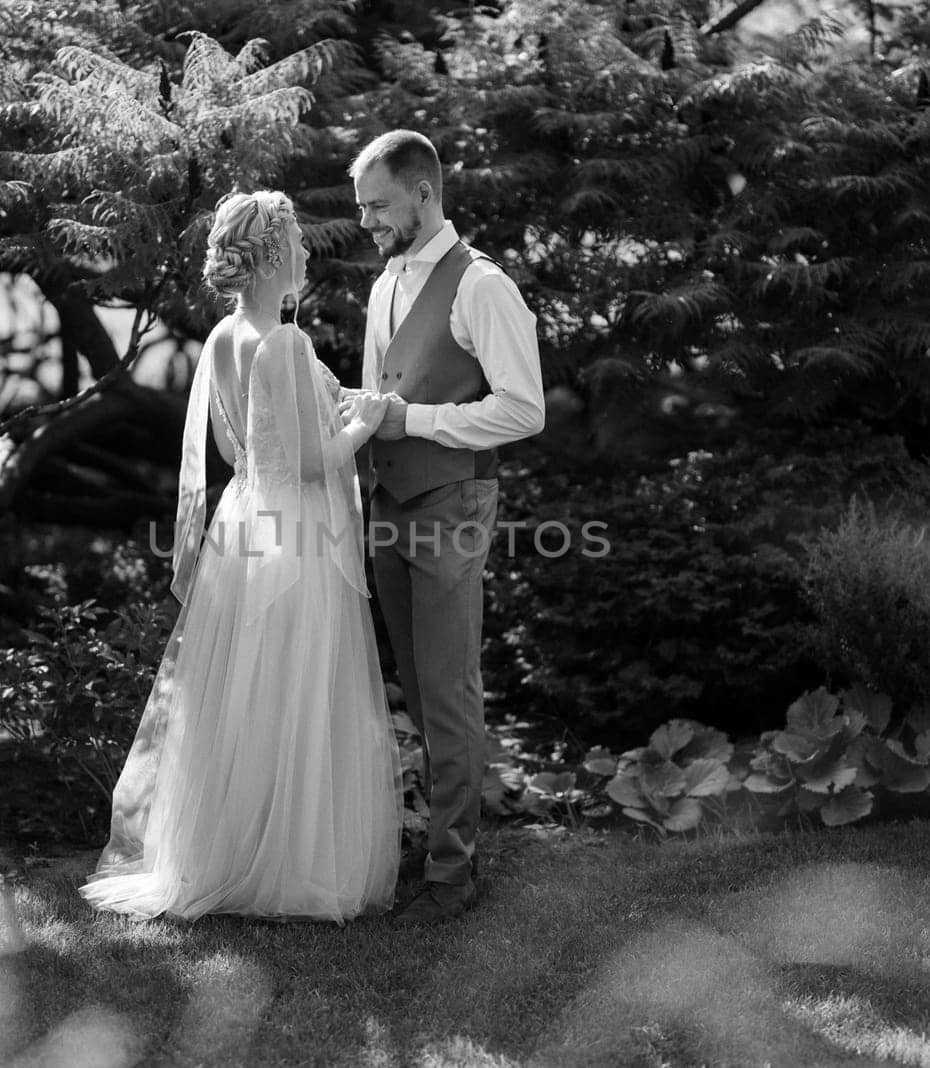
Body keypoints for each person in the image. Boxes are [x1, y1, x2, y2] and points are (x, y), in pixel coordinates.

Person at [80, 191, 402, 922]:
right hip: (295, 534)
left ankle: (222, 852)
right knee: (298, 686)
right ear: (272, 256)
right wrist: (371, 420)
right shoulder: (284, 342)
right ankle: (289, 865)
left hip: (243, 527)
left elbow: (236, 449)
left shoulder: (227, 334)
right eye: (295, 242)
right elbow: (315, 463)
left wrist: (326, 418)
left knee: (242, 694)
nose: (306, 253)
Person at [342, 130, 545, 925]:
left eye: (378, 204)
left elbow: (524, 409)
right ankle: (435, 845)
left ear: (423, 193)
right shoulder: (386, 282)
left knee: (449, 692)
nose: (367, 222)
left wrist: (410, 420)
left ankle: (453, 876)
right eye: (361, 208)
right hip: (388, 506)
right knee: (419, 695)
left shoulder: (482, 285)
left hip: (454, 505)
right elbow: (376, 399)